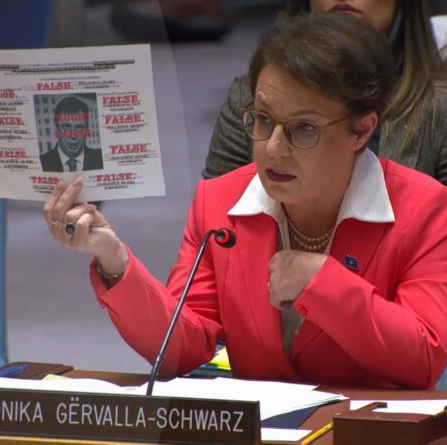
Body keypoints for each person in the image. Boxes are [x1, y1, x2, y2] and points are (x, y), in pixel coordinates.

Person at [44, 13, 447, 389]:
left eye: (304, 128)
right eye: (263, 119)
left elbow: (424, 358)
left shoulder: (424, 209)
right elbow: (181, 349)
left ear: (361, 130)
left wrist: (323, 282)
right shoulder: (219, 203)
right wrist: (114, 260)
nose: (273, 148)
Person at [203, 0, 447, 185]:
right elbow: (217, 221)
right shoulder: (250, 97)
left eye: (306, 127)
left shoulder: (439, 109)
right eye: (266, 121)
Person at [40, 96, 103, 173]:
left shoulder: (100, 158)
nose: (73, 135)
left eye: (79, 127)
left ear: (87, 128)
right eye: (66, 127)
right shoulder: (41, 162)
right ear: (56, 126)